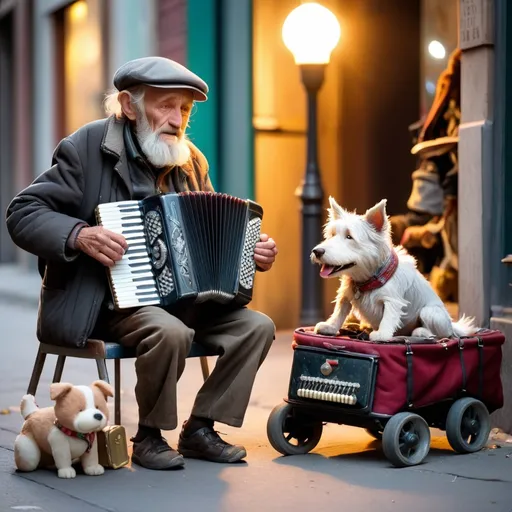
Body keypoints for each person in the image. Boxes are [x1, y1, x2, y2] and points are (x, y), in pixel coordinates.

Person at [6, 56, 278, 471]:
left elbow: (211, 233)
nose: (176, 119)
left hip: (186, 303)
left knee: (257, 327)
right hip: (103, 303)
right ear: (130, 106)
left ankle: (200, 428)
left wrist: (249, 252)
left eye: (184, 109)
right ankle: (150, 437)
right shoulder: (85, 147)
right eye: (165, 105)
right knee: (169, 331)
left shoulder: (191, 160)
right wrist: (79, 234)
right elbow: (23, 212)